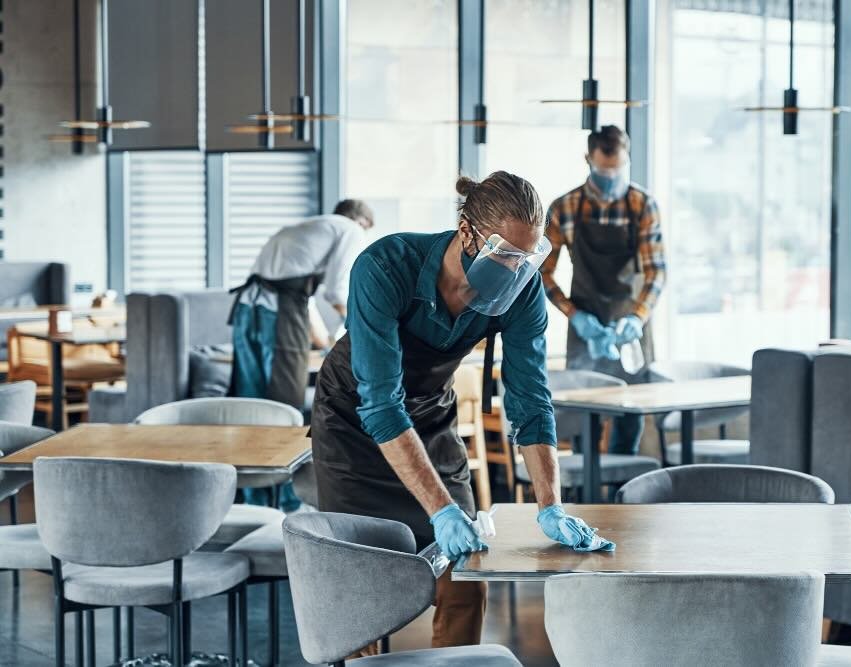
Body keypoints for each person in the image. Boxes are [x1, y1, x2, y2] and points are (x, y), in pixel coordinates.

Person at [311, 172, 613, 650]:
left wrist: (550, 504)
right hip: (353, 423)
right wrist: (441, 510)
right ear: (467, 231)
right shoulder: (387, 266)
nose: (517, 269)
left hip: (431, 417)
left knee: (465, 580)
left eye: (528, 256)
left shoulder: (522, 290)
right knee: (360, 588)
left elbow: (530, 401)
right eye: (507, 255)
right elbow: (382, 405)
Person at [230, 199, 374, 510]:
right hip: (277, 316)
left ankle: (253, 499)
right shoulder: (350, 230)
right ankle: (285, 501)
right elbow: (337, 290)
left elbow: (302, 299)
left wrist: (327, 343)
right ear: (361, 222)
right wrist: (362, 328)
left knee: (250, 406)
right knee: (284, 406)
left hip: (248, 311)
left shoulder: (309, 230)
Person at [540, 125, 667, 456]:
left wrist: (637, 318)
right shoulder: (564, 208)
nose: (611, 175)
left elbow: (656, 272)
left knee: (630, 417)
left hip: (631, 328)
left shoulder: (643, 205)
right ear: (588, 160)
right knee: (584, 416)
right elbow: (542, 273)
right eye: (603, 169)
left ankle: (620, 495)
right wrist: (574, 315)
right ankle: (585, 495)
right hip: (586, 324)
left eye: (618, 168)